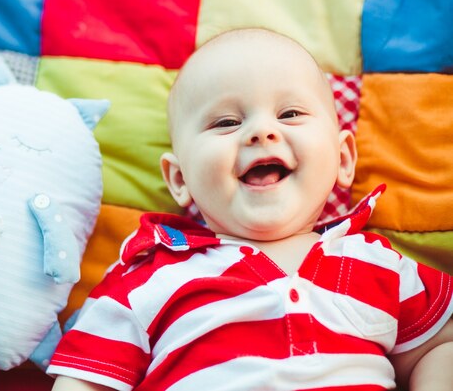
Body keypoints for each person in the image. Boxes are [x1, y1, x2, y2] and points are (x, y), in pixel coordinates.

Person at [46, 28, 453, 390]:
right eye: (225, 122)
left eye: (290, 114)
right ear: (180, 180)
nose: (261, 131)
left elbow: (440, 346)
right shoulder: (148, 276)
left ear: (344, 159)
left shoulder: (377, 263)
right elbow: (86, 379)